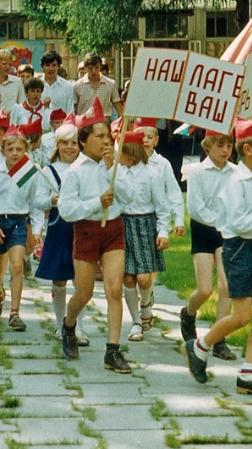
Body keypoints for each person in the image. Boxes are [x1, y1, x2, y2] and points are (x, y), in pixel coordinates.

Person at [181, 115, 252, 398]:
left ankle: (248, 373)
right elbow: (238, 223)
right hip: (238, 249)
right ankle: (200, 346)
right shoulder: (235, 182)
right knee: (242, 315)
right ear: (248, 150)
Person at [57, 98, 132, 373]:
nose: (106, 141)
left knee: (114, 289)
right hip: (86, 230)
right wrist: (95, 203)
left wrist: (113, 168)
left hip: (113, 231)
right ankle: (69, 323)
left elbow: (129, 197)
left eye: (109, 135)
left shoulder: (113, 164)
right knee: (84, 293)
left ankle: (113, 350)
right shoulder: (75, 172)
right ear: (84, 140)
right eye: (100, 136)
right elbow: (66, 210)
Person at [0, 125, 43, 331]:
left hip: (18, 222)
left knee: (16, 265)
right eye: (10, 149)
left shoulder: (30, 174)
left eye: (19, 149)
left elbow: (37, 204)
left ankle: (15, 313)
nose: (15, 153)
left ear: (26, 151)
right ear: (3, 151)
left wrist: (38, 230)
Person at [180, 130, 237, 360]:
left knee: (226, 287)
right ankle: (189, 313)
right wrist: (218, 222)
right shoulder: (197, 172)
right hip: (204, 230)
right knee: (205, 289)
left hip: (227, 232)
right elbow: (195, 208)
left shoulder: (235, 173)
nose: (225, 151)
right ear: (207, 146)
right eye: (219, 146)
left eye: (229, 146)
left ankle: (219, 340)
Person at [33, 122, 89, 345]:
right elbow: (37, 200)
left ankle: (79, 326)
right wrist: (52, 200)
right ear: (57, 145)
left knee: (82, 281)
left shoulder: (86, 167)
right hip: (59, 227)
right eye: (64, 143)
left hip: (83, 227)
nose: (69, 147)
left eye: (74, 143)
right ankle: (59, 324)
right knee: (59, 278)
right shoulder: (48, 171)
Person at [117, 130, 171, 343]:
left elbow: (162, 206)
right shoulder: (119, 173)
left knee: (144, 277)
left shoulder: (151, 174)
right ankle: (136, 321)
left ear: (129, 152)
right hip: (123, 226)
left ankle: (146, 303)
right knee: (128, 276)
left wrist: (164, 230)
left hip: (145, 226)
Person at [74, 53, 123, 117]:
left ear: (100, 66)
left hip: (104, 123)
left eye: (96, 68)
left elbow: (119, 109)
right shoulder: (77, 86)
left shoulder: (111, 84)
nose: (94, 71)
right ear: (85, 68)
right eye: (90, 68)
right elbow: (74, 110)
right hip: (84, 124)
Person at [39, 51, 75, 116]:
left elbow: (70, 112)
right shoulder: (36, 85)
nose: (51, 69)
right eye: (47, 65)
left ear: (58, 67)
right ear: (42, 66)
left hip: (62, 125)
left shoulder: (67, 87)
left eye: (54, 65)